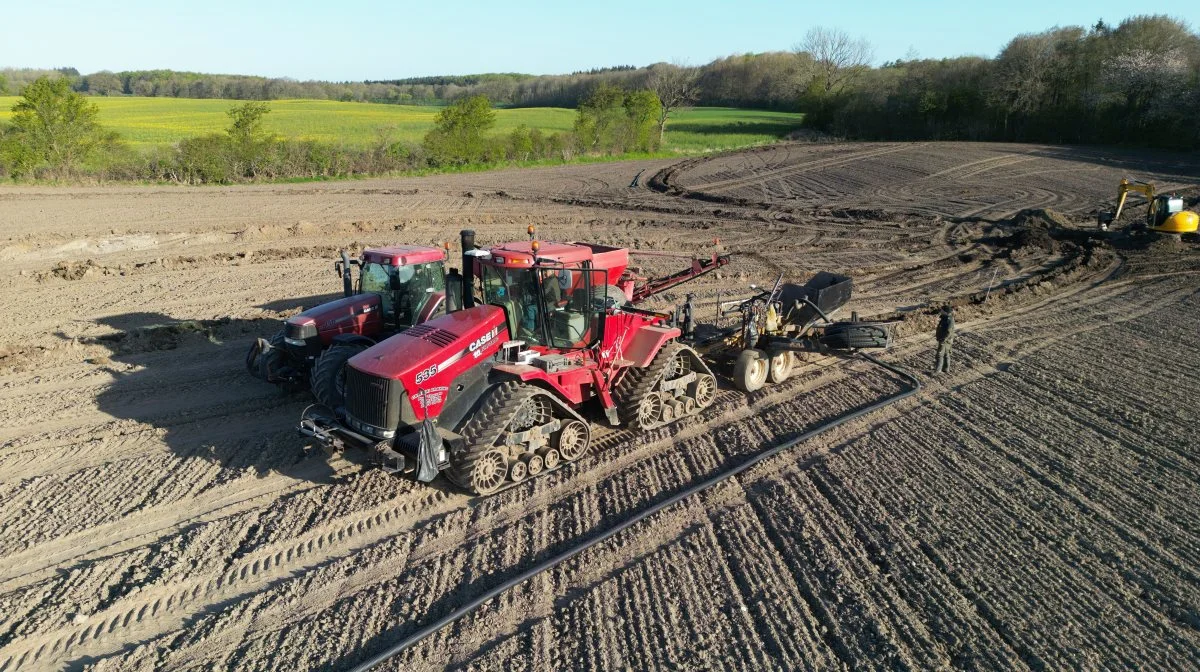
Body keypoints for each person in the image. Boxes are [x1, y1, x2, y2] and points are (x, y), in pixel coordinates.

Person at [934, 306, 955, 374]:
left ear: (946, 312)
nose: (941, 311)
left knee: (940, 354)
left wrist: (943, 340)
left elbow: (948, 332)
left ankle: (938, 370)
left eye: (942, 310)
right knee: (946, 354)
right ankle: (946, 369)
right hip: (946, 340)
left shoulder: (949, 320)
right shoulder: (945, 317)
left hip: (945, 340)